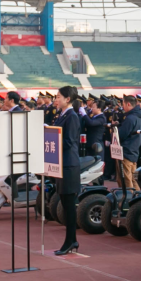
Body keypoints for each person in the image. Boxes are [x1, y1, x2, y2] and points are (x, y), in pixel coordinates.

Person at [52, 86, 83, 256]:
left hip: (69, 165)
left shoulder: (72, 117)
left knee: (69, 206)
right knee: (65, 204)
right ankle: (72, 240)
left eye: (58, 97)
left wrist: (50, 141)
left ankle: (70, 241)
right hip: (61, 164)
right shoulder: (62, 115)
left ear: (67, 99)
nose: (56, 100)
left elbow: (69, 141)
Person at [117, 93, 141, 192]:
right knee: (133, 180)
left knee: (126, 180)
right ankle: (138, 198)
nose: (122, 107)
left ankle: (129, 199)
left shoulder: (130, 118)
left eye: (123, 104)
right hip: (134, 150)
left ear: (128, 104)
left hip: (126, 152)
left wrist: (115, 130)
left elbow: (121, 135)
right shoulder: (138, 116)